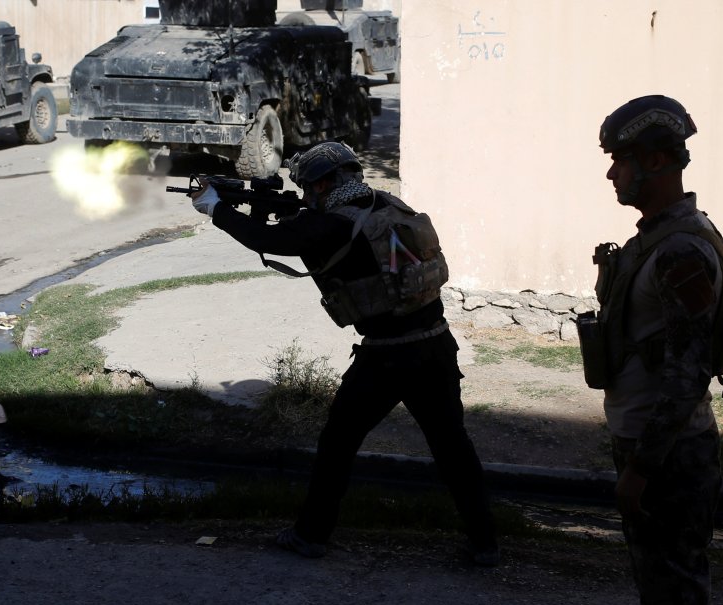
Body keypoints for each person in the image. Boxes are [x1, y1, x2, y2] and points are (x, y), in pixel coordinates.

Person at [189, 141, 499, 566]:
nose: (304, 196)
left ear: (325, 184)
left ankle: (310, 535)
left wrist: (216, 209)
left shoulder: (330, 226)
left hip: (387, 357)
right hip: (436, 345)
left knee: (337, 444)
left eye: (308, 188)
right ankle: (485, 543)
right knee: (452, 447)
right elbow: (306, 230)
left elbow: (268, 238)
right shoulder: (385, 204)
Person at [591, 95, 723, 605]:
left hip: (669, 458)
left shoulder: (681, 251)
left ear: (654, 161)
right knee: (659, 585)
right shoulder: (656, 241)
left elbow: (688, 375)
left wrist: (642, 469)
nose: (611, 175)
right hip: (653, 446)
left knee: (675, 590)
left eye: (620, 160)